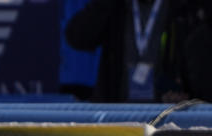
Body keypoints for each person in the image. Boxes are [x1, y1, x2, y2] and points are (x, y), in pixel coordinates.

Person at [65, 0, 212, 102]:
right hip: (118, 115)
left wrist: (186, 91)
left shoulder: (189, 8)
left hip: (170, 119)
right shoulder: (117, 6)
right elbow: (77, 37)